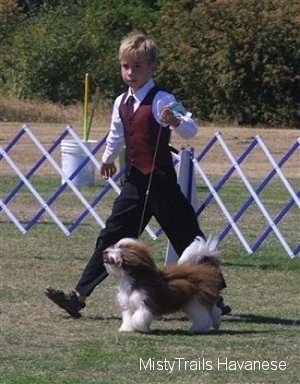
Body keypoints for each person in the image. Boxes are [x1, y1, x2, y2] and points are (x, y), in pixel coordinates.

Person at [45, 31, 231, 318]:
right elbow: (117, 135)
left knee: (189, 239)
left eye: (138, 66)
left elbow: (191, 129)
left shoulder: (163, 99)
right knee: (110, 238)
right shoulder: (121, 102)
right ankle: (78, 296)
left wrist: (176, 121)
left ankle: (213, 298)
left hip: (162, 184)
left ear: (153, 67)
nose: (130, 72)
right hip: (134, 183)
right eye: (125, 66)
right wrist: (107, 158)